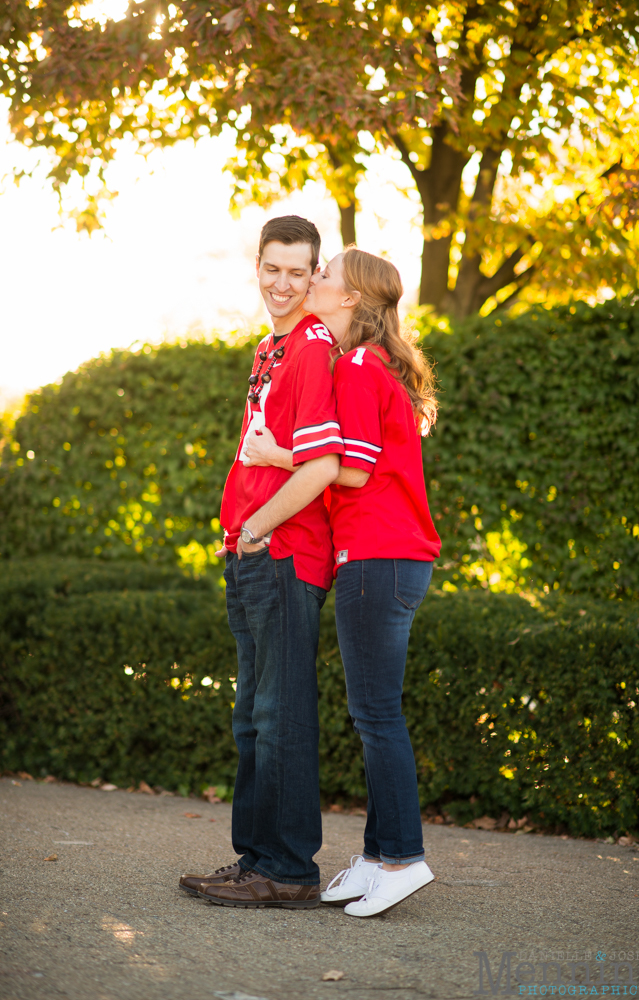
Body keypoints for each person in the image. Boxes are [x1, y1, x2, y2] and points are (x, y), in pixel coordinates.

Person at [243, 247, 442, 917]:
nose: (311, 283)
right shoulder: (372, 363)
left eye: (323, 276)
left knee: (377, 716)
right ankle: (376, 856)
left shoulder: (356, 365)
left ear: (350, 299)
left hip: (376, 556)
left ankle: (404, 857)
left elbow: (348, 472)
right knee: (372, 713)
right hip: (389, 558)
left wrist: (273, 452)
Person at [179, 216, 344, 909]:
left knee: (279, 717)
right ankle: (254, 861)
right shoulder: (268, 347)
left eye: (297, 272)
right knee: (252, 717)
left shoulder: (309, 347)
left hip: (282, 552)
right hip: (250, 552)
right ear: (257, 267)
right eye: (272, 269)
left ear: (314, 275)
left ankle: (287, 870)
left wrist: (255, 527)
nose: (283, 283)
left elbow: (322, 466)